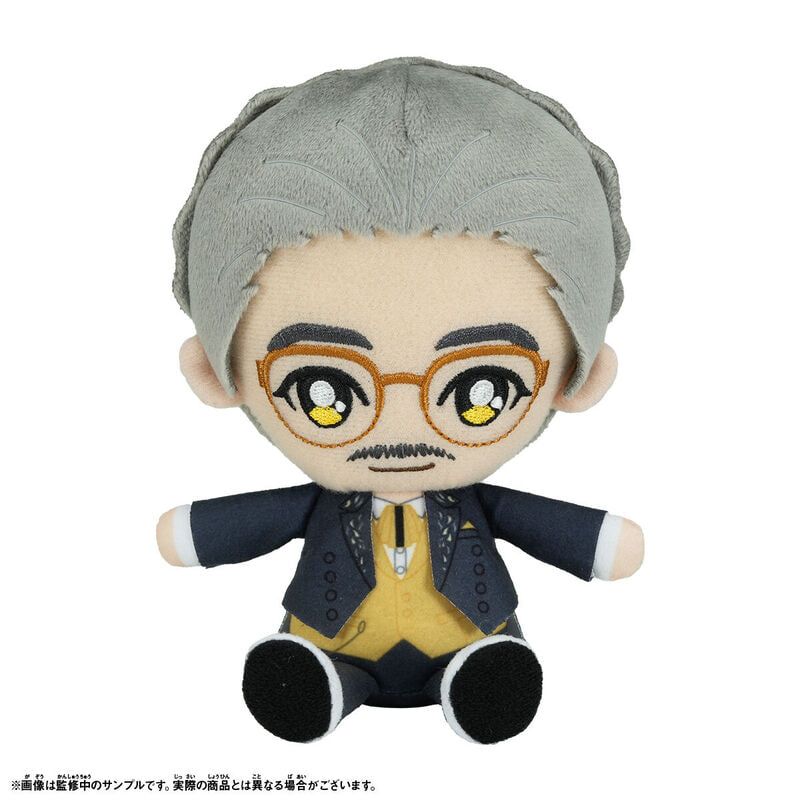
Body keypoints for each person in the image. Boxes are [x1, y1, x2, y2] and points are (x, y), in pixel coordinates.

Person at [157, 58, 644, 744]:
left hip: (472, 635)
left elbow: (545, 527)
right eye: (324, 391)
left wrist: (599, 543)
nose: (400, 426)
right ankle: (325, 685)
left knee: (488, 675)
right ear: (217, 372)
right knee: (306, 677)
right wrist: (195, 534)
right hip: (331, 636)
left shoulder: (477, 501)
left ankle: (474, 681)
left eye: (479, 391)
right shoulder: (326, 497)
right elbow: (250, 522)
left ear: (577, 379)